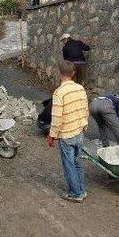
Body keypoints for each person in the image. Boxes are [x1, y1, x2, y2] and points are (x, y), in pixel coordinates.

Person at [46, 61, 89, 203]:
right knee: (77, 162)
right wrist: (84, 126)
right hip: (79, 131)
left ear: (59, 73)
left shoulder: (59, 93)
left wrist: (52, 135)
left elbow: (57, 117)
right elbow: (85, 109)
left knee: (69, 164)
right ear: (73, 74)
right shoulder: (80, 89)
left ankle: (75, 194)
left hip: (67, 134)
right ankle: (81, 190)